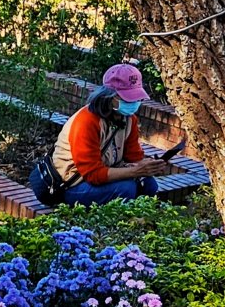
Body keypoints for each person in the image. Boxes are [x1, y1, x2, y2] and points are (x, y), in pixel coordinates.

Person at [29, 64, 174, 205]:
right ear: (109, 97)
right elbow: (93, 174)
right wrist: (135, 171)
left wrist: (150, 166)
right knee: (126, 189)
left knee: (149, 184)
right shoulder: (86, 121)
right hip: (70, 186)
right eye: (128, 98)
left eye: (136, 98)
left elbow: (133, 156)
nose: (134, 103)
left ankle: (140, 223)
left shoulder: (129, 119)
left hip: (99, 179)